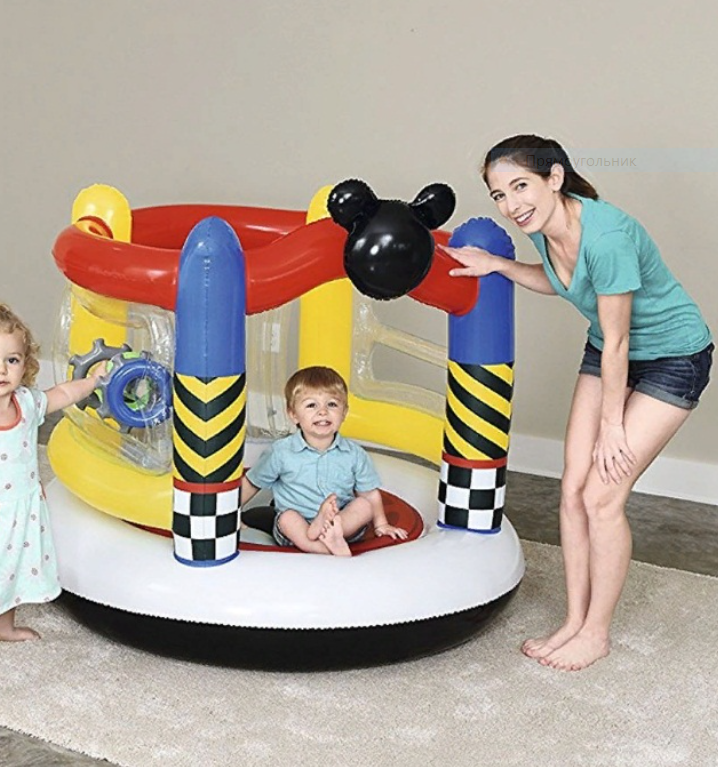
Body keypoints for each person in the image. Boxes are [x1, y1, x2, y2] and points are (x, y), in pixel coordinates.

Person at [447, 134, 713, 672]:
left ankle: (597, 632)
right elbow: (562, 282)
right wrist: (496, 265)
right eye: (499, 195)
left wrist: (613, 426)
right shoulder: (549, 228)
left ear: (555, 178)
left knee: (601, 496)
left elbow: (620, 340)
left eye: (520, 186)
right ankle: (573, 620)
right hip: (608, 350)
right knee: (571, 489)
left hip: (672, 356)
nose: (511, 204)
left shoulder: (606, 237)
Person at [0, 301, 107, 734]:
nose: (0, 370)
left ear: (25, 364)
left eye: (12, 360)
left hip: (23, 517)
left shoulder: (25, 403)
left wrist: (92, 382)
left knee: (12, 571)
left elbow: (60, 396)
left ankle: (3, 627)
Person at [240, 366, 407, 556]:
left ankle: (333, 535)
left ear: (344, 412)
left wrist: (381, 525)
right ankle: (321, 548)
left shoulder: (355, 454)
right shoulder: (281, 452)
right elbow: (252, 482)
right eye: (311, 405)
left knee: (364, 506)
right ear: (293, 414)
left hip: (340, 525)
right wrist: (231, 514)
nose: (323, 412)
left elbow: (369, 494)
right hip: (299, 528)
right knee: (287, 518)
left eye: (332, 404)